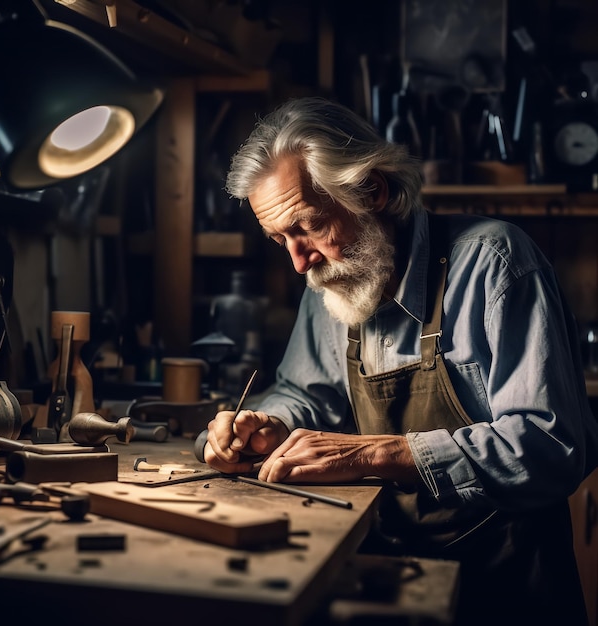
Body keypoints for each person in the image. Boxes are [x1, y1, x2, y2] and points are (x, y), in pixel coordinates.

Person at [202, 96, 598, 625]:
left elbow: (551, 446)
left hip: (507, 586)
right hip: (388, 569)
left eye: (309, 227)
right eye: (281, 240)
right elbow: (305, 394)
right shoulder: (328, 280)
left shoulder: (495, 264)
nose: (300, 263)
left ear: (372, 191)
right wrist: (265, 425)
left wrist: (375, 454)